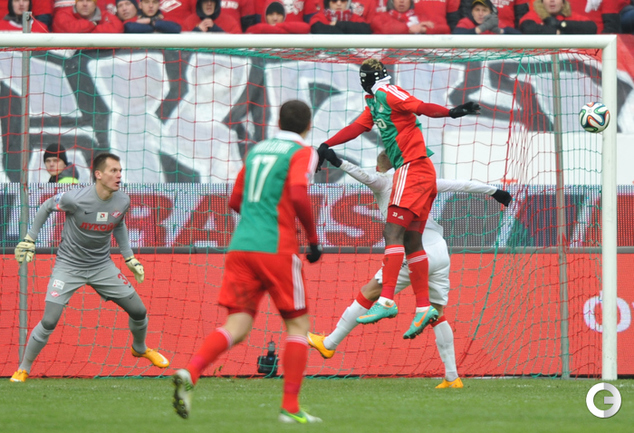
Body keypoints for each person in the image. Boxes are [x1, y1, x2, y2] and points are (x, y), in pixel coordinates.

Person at [171, 100, 323, 424]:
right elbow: (299, 193)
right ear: (309, 125)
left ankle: (191, 371)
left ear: (278, 122)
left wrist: (256, 221)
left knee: (236, 325)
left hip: (241, 246)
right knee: (298, 326)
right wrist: (312, 239)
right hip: (276, 247)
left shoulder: (256, 151)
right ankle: (290, 408)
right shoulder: (303, 152)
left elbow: (235, 200)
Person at [308, 149, 512, 388]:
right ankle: (452, 376)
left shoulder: (384, 181)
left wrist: (337, 160)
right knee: (437, 312)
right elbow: (462, 184)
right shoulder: (425, 180)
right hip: (439, 249)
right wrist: (495, 192)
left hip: (415, 251)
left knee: (369, 292)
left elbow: (361, 174)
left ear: (384, 164)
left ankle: (329, 344)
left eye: (380, 159)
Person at [315, 58, 480, 338]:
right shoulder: (373, 101)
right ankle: (423, 307)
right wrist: (327, 143)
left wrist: (451, 113)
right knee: (412, 240)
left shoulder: (387, 92)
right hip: (420, 171)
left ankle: (386, 300)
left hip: (411, 167)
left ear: (366, 79)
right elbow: (357, 127)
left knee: (392, 233)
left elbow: (420, 107)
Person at [10, 152, 169, 383]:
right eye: (113, 171)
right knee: (49, 321)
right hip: (69, 266)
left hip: (101, 266)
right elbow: (46, 206)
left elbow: (118, 224)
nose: (119, 175)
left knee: (139, 311)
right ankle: (23, 369)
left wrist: (129, 258)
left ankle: (140, 348)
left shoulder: (123, 200)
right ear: (98, 175)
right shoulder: (75, 198)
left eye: (120, 170)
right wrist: (29, 238)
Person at [519, 0, 597, 33]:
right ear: (542, 2)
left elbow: (591, 27)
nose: (552, 1)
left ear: (563, 3)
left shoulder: (570, 15)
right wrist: (555, 32)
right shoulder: (534, 15)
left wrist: (560, 24)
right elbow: (526, 28)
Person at [52, 0, 123, 33]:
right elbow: (71, 29)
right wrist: (92, 24)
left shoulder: (105, 15)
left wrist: (88, 32)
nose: (85, 4)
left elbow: (117, 28)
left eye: (89, 0)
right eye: (81, 0)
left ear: (95, 4)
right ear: (76, 3)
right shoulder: (63, 14)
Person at [453, 0, 521, 34]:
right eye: (477, 10)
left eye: (484, 10)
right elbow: (456, 35)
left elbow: (519, 36)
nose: (480, 14)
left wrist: (500, 31)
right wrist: (480, 29)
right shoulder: (466, 22)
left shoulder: (495, 23)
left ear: (490, 13)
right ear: (472, 12)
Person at [371, 0, 437, 34]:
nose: (401, 1)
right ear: (392, 1)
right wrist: (409, 29)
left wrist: (424, 30)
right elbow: (387, 30)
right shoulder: (380, 17)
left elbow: (441, 28)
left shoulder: (419, 16)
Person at [246, 0, 311, 34]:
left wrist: (278, 26)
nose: (275, 18)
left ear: (284, 16)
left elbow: (306, 28)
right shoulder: (257, 30)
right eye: (271, 14)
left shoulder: (288, 28)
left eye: (279, 14)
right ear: (265, 15)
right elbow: (251, 30)